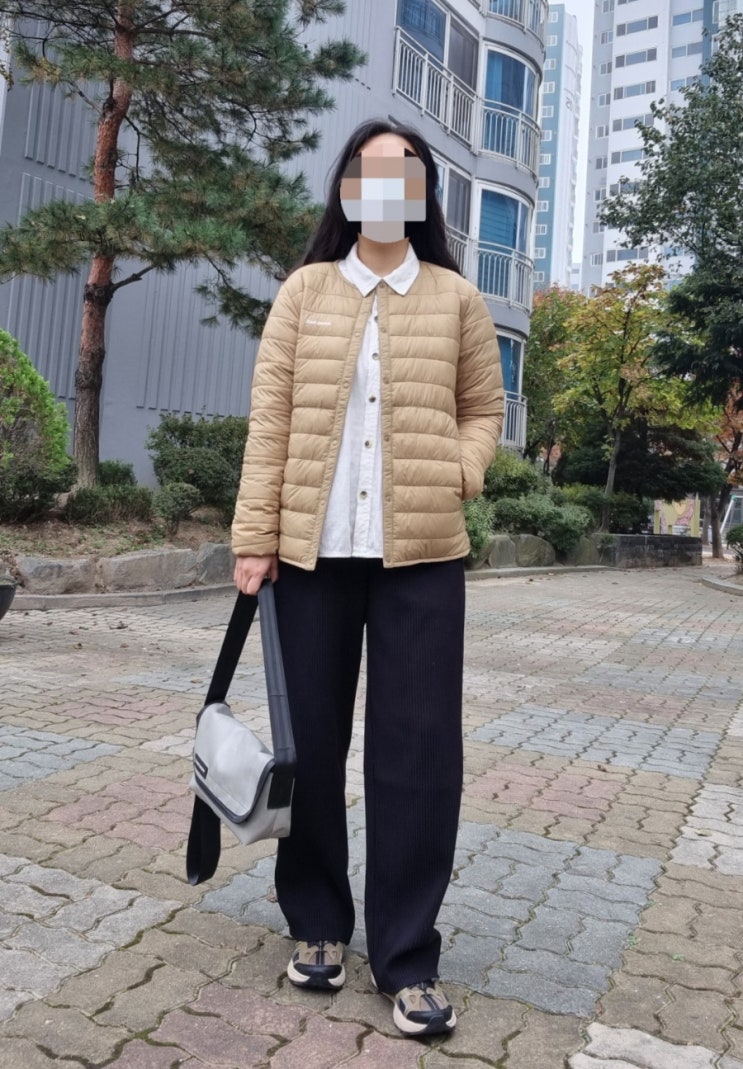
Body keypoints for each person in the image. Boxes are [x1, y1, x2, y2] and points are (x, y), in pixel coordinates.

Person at [232, 118, 504, 1038]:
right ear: (348, 186)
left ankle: (406, 955)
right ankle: (316, 922)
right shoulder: (305, 291)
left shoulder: (456, 298)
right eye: (371, 169)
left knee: (419, 755)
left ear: (421, 193)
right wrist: (254, 536)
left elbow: (484, 408)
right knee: (309, 743)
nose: (387, 186)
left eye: (405, 171)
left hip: (421, 557)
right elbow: (270, 421)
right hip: (310, 553)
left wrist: (459, 469)